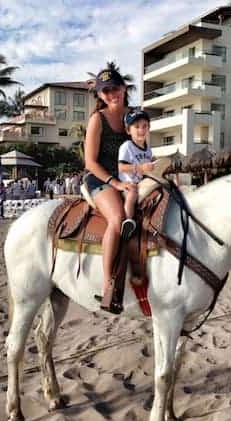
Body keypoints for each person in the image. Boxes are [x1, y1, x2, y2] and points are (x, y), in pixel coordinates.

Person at [83, 66, 133, 312]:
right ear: (101, 96)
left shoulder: (134, 117)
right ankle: (108, 284)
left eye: (114, 88)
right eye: (106, 91)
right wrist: (115, 182)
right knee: (118, 218)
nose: (111, 94)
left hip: (129, 177)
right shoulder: (98, 119)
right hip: (100, 178)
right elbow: (90, 162)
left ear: (123, 88)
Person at [117, 109, 154, 238]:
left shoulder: (148, 150)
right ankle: (127, 221)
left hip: (141, 182)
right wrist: (140, 168)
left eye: (145, 126)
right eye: (137, 127)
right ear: (128, 130)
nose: (141, 130)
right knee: (132, 194)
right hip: (128, 183)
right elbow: (121, 167)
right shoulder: (127, 146)